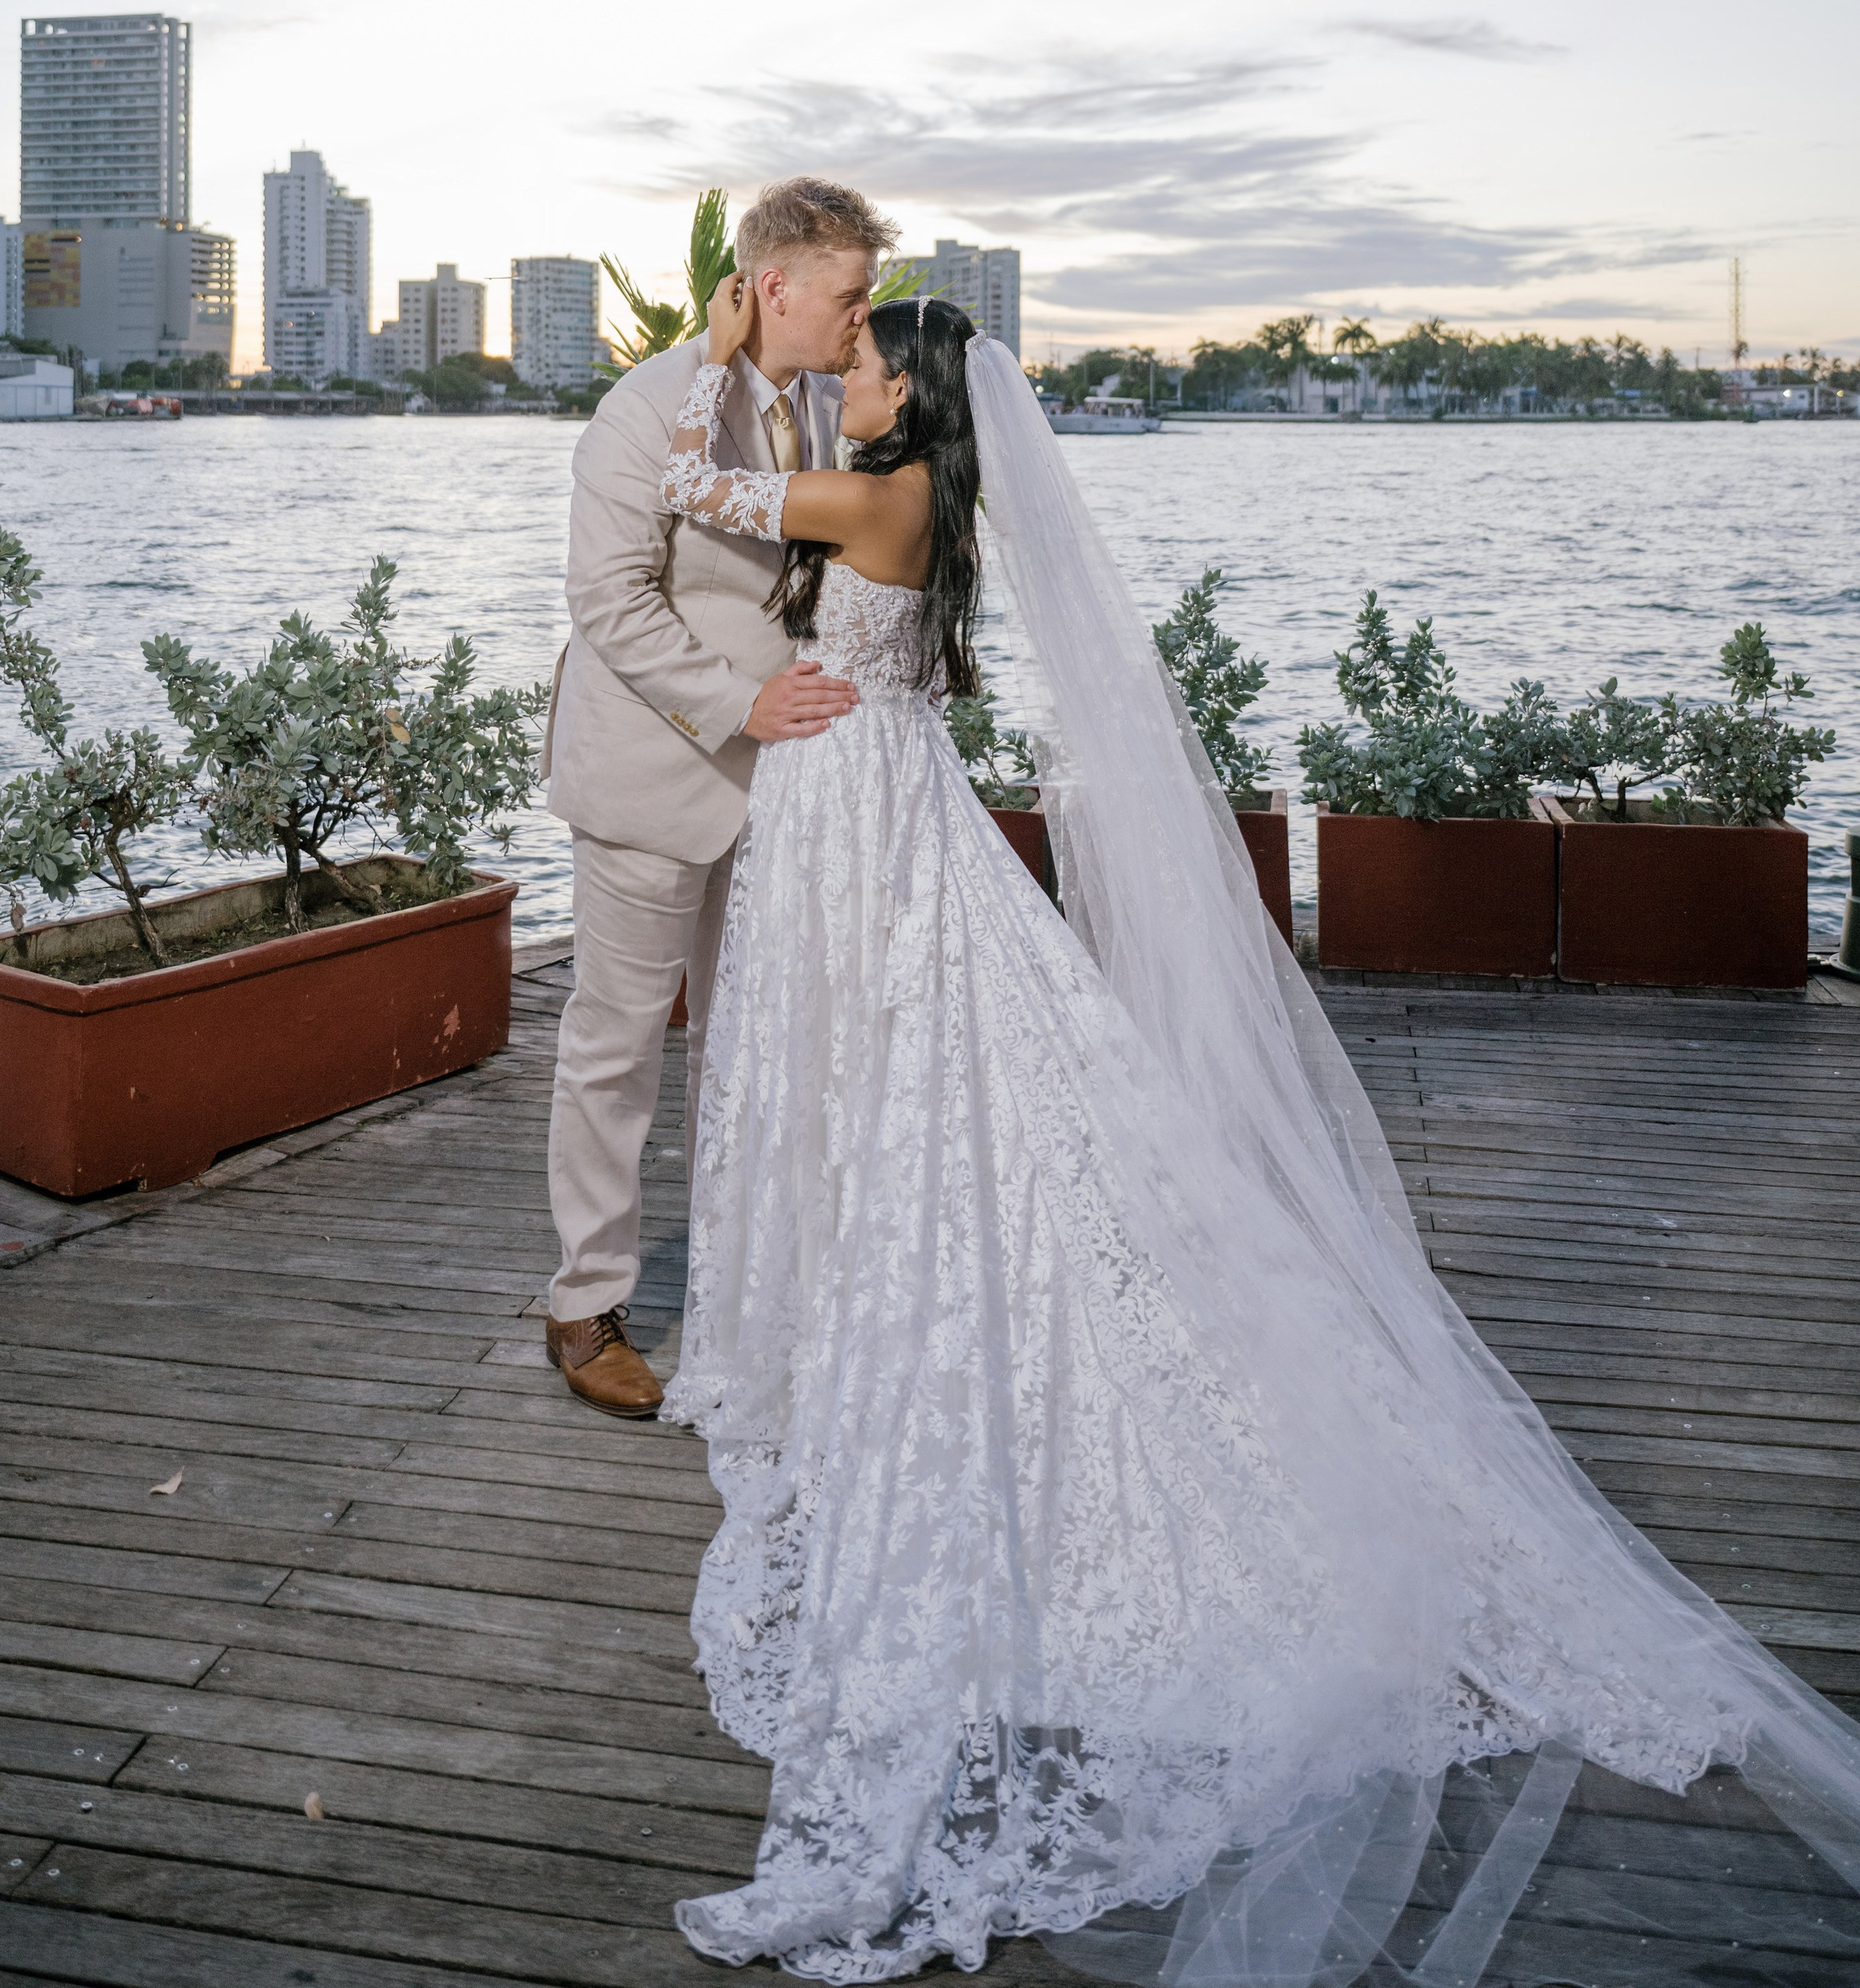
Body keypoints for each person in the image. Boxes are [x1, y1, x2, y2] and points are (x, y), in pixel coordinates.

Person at [649, 278, 1860, 1988]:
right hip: (879, 806)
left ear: (910, 390)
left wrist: (721, 347)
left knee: (961, 1079)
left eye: (849, 360)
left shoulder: (878, 493)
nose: (828, 379)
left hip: (866, 817)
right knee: (974, 1074)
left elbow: (695, 488)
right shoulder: (920, 494)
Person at [538, 177, 897, 1417]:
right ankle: (585, 1305)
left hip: (790, 796)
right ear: (777, 285)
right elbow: (611, 603)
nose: (865, 319)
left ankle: (756, 1290)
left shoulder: (832, 407)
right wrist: (741, 707)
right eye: (851, 295)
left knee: (754, 1053)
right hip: (653, 776)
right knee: (617, 1048)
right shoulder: (644, 413)